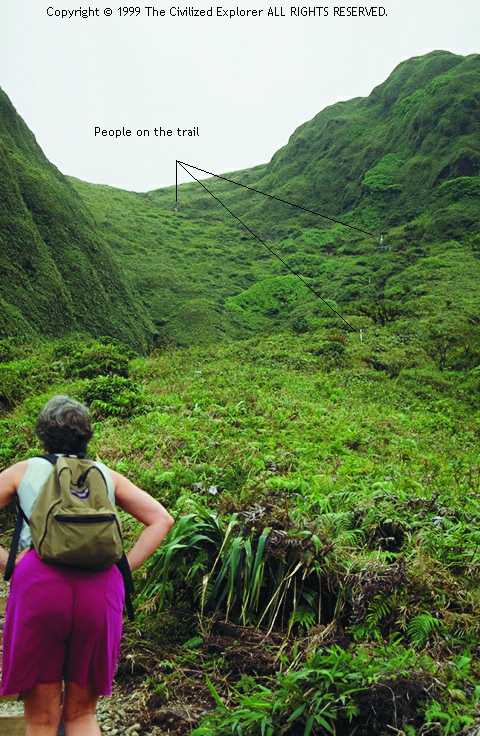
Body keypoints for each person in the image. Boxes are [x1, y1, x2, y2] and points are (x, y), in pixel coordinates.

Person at [0, 395, 174, 736]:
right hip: (101, 588)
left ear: (43, 434)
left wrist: (9, 563)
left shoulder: (25, 470)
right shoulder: (106, 475)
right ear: (87, 436)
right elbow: (161, 519)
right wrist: (123, 572)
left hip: (39, 585)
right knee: (82, 715)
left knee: (42, 720)